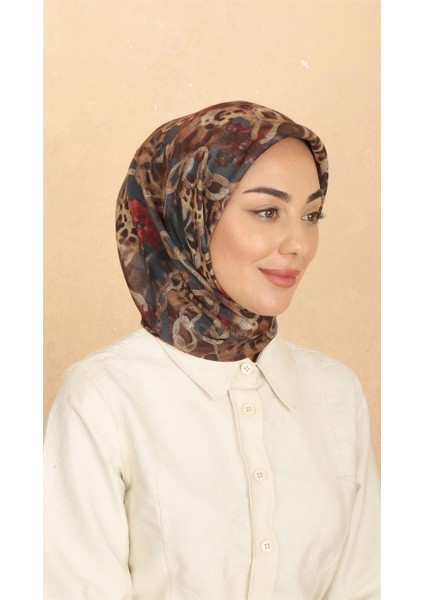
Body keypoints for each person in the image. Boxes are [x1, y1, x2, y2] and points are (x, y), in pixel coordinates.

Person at [44, 100, 380, 599]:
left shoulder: (336, 393)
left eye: (311, 214)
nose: (300, 244)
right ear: (190, 216)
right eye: (268, 211)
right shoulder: (105, 395)